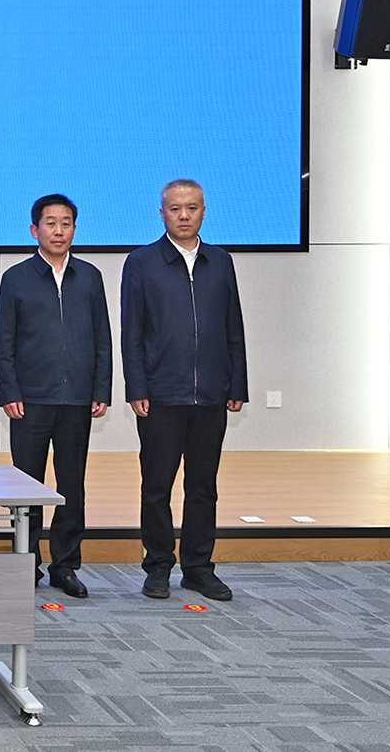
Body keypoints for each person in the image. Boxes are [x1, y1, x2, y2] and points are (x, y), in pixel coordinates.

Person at [123, 178, 248, 602]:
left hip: (211, 394)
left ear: (203, 212)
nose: (183, 215)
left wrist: (237, 382)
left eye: (191, 208)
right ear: (161, 213)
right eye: (174, 208)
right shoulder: (142, 262)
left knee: (203, 487)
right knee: (156, 486)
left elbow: (233, 326)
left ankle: (198, 567)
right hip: (161, 395)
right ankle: (158, 565)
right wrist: (137, 386)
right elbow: (132, 332)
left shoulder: (221, 262)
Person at [0, 193, 111, 599]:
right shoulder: (16, 278)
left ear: (74, 229)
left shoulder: (90, 277)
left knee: (71, 485)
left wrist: (101, 388)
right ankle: (27, 562)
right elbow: (3, 341)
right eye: (50, 223)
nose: (58, 231)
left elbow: (102, 338)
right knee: (27, 486)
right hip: (29, 400)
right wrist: (9, 390)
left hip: (77, 398)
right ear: (34, 230)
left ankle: (66, 565)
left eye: (66, 223)